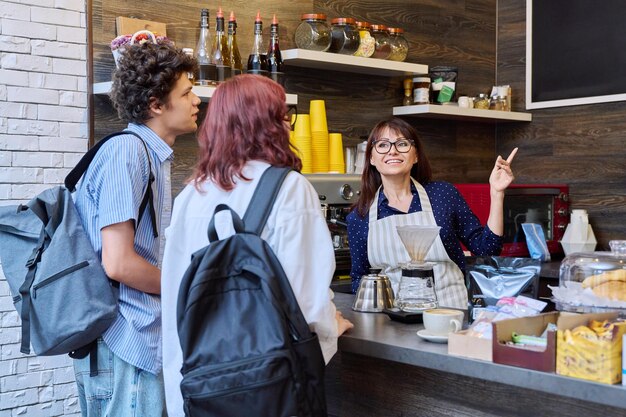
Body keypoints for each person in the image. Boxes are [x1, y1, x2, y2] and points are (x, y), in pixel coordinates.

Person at [161, 74, 354, 417]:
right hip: (271, 385)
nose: (289, 125)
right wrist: (330, 329)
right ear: (268, 124)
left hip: (198, 383)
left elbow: (176, 291)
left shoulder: (191, 194)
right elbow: (304, 297)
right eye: (284, 115)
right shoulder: (289, 188)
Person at [72, 42, 200, 416]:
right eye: (187, 93)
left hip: (138, 341)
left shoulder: (151, 155)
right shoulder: (127, 153)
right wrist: (186, 286)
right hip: (124, 341)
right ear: (157, 105)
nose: (196, 102)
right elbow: (119, 263)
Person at [347, 117, 517, 309]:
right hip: (393, 322)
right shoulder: (360, 217)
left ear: (416, 155)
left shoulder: (442, 195)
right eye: (383, 145)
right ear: (371, 158)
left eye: (402, 144)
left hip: (452, 314)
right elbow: (359, 280)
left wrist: (496, 192)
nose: (392, 150)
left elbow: (487, 248)